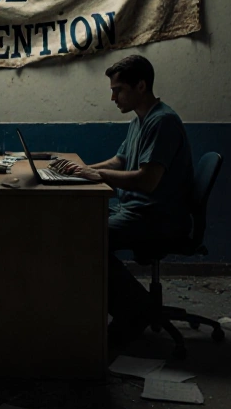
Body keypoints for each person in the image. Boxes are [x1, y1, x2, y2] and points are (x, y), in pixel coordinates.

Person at [50, 54, 195, 342]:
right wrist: (84, 170)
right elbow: (120, 160)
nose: (113, 97)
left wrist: (97, 176)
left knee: (83, 239)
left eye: (119, 90)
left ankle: (135, 310)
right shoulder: (140, 120)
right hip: (137, 210)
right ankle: (132, 308)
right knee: (74, 226)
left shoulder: (162, 121)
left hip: (157, 218)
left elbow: (147, 180)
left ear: (141, 86)